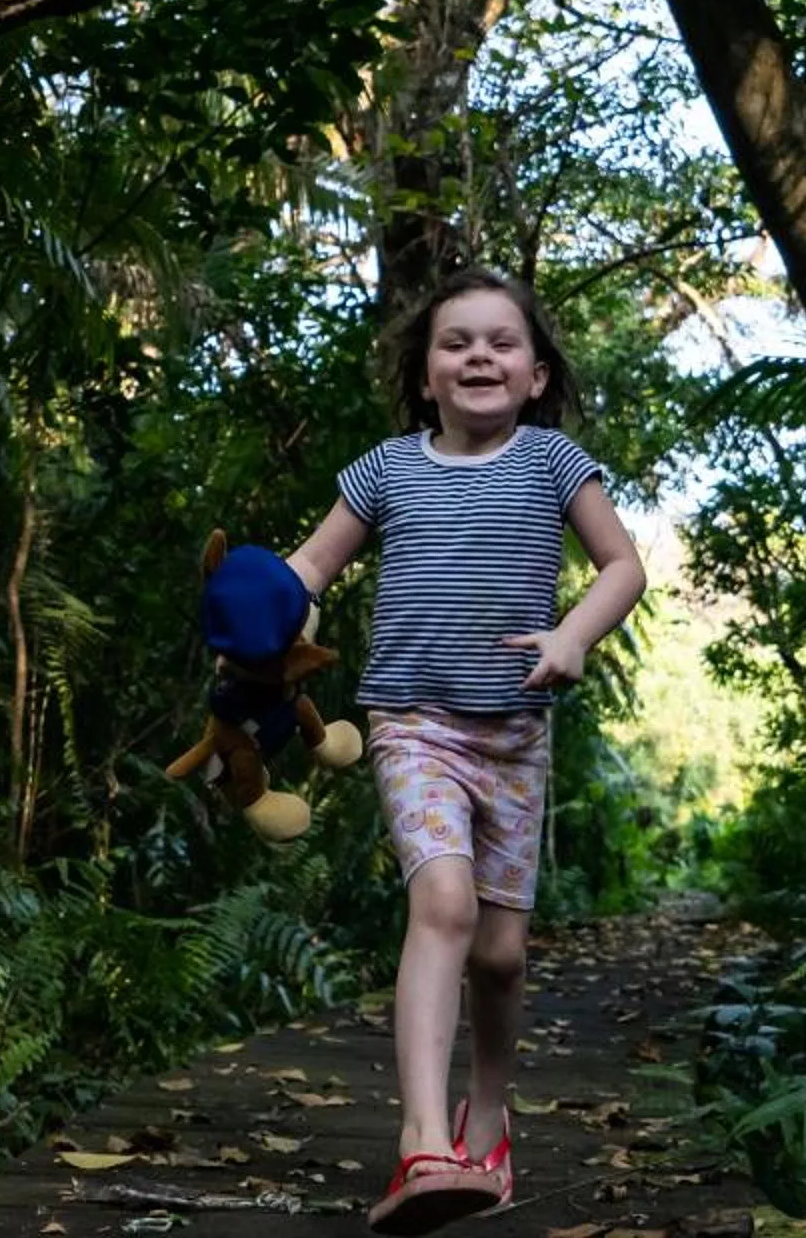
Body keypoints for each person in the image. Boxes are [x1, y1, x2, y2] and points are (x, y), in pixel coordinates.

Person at [286, 268, 647, 1235]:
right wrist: (265, 603)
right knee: (441, 904)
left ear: (534, 375)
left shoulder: (554, 463)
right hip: (412, 724)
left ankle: (486, 1115)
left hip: (513, 735)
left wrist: (573, 637)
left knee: (500, 953)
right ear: (425, 376)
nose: (479, 356)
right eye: (457, 343)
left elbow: (623, 566)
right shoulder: (386, 471)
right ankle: (420, 1142)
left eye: (501, 342)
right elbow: (314, 564)